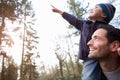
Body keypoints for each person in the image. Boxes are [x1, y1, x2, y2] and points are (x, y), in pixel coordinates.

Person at [51, 3, 116, 80]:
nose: (92, 9)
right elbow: (72, 19)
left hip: (105, 56)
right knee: (89, 77)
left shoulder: (107, 28)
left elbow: (116, 38)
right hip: (89, 57)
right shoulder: (84, 24)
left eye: (96, 7)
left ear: (104, 15)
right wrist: (60, 12)